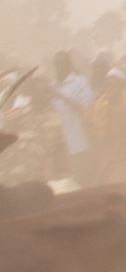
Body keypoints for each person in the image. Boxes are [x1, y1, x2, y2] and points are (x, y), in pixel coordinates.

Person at [52, 50, 95, 185]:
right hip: (61, 146)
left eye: (62, 63)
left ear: (69, 64)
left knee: (85, 182)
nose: (59, 66)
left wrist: (61, 96)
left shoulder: (80, 83)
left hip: (81, 143)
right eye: (56, 63)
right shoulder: (52, 86)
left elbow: (87, 110)